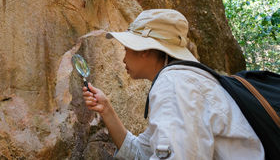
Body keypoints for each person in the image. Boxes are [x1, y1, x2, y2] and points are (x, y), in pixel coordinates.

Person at [82, 9, 264, 159]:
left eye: (127, 48)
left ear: (144, 50)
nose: (123, 58)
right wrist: (106, 109)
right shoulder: (183, 81)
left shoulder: (174, 84)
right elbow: (141, 152)